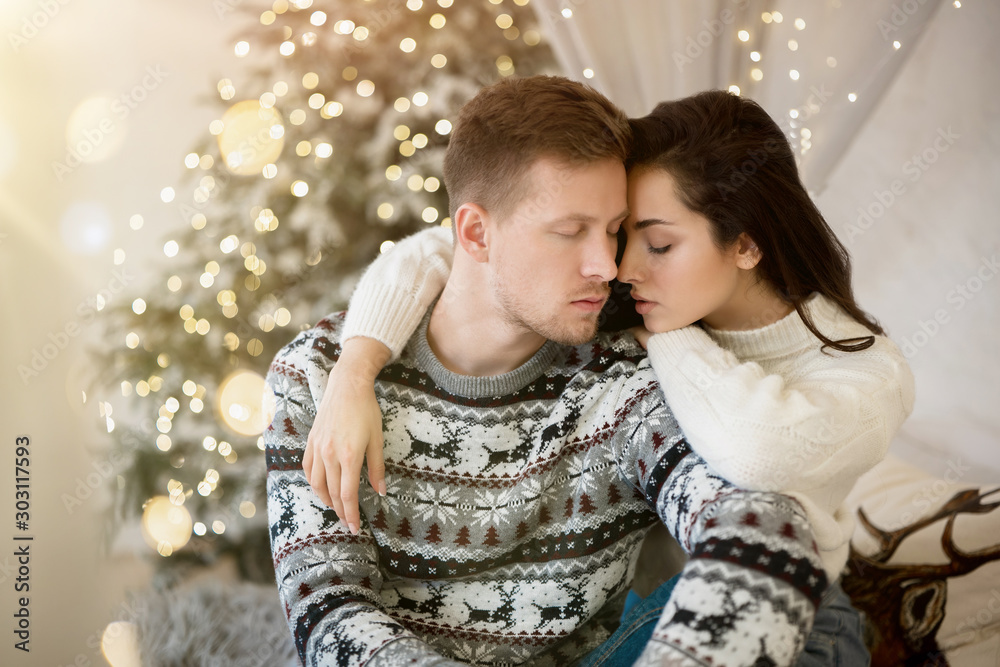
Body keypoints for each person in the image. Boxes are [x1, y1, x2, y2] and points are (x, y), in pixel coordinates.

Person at [309, 89, 917, 665]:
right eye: (610, 234)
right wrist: (354, 371)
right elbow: (437, 247)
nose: (615, 267)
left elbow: (758, 457)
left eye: (652, 243)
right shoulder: (636, 300)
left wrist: (666, 339)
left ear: (746, 246)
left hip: (799, 608)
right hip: (687, 594)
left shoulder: (862, 375)